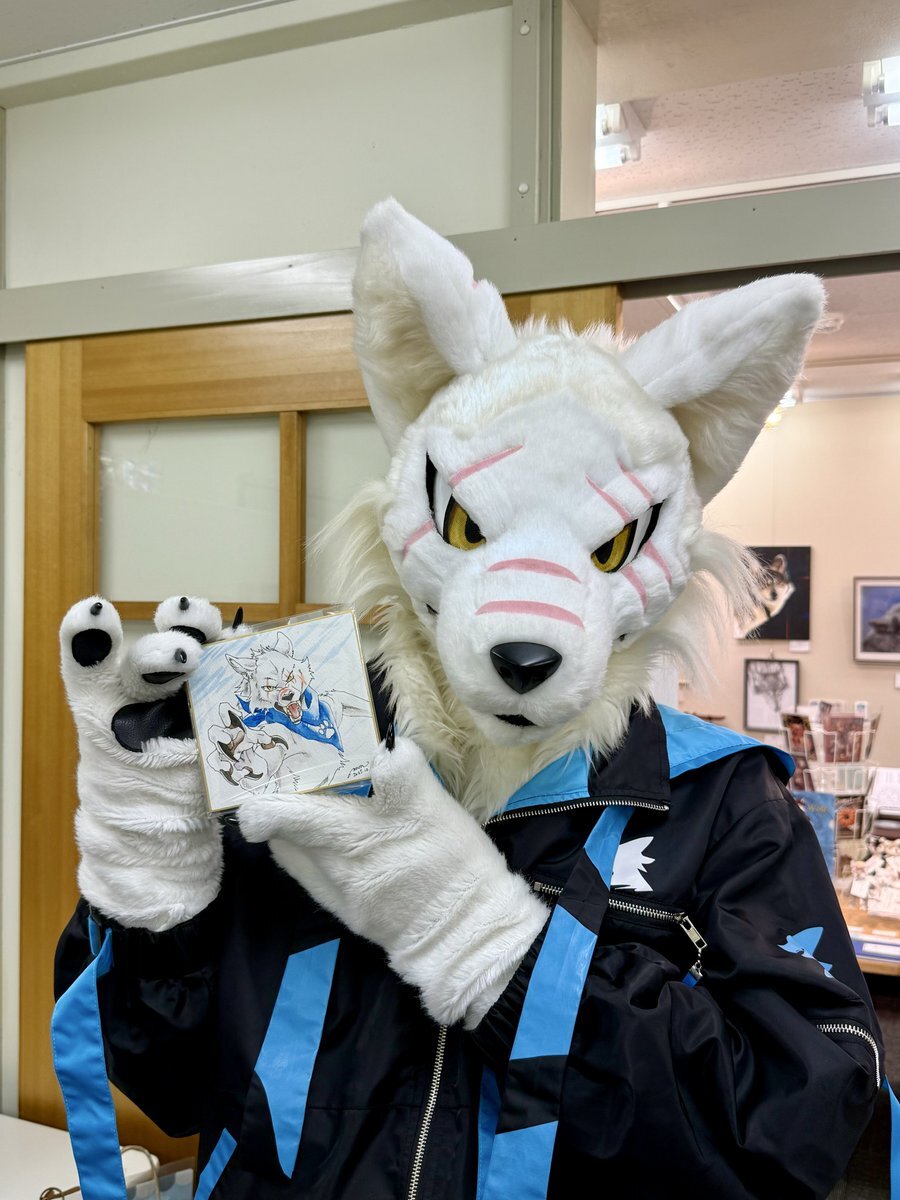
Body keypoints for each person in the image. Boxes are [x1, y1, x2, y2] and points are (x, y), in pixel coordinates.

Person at [55, 201, 883, 1199]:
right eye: (472, 525)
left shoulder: (722, 803)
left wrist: (484, 940)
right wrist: (148, 875)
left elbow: (795, 1138)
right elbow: (162, 1076)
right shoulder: (301, 730)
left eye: (605, 544)